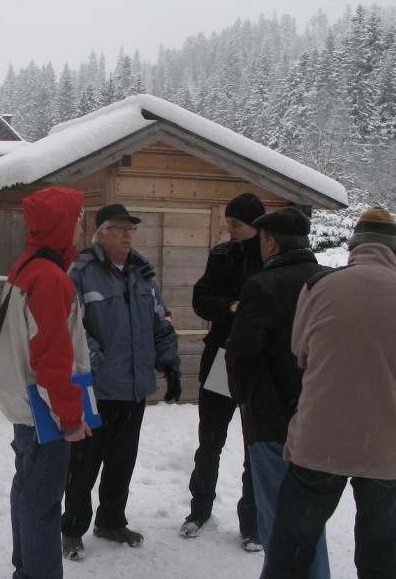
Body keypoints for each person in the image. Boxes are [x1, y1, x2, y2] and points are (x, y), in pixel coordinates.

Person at [266, 208, 396, 579]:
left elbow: (300, 352)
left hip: (321, 442)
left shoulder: (320, 285)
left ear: (354, 247)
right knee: (382, 557)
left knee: (291, 550)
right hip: (387, 448)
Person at [61, 203, 181, 560]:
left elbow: (161, 320)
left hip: (133, 389)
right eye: (119, 228)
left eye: (131, 229)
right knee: (83, 464)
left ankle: (111, 520)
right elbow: (73, 327)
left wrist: (171, 364)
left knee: (121, 460)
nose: (127, 234)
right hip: (96, 389)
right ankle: (72, 528)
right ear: (100, 234)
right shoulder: (81, 273)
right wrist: (97, 361)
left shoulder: (143, 274)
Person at [225, 206, 330, 579]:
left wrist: (248, 401)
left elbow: (240, 356)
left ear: (270, 242)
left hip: (272, 423)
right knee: (308, 520)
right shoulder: (330, 281)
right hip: (321, 420)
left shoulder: (261, 285)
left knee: (276, 518)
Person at [0, 186, 92, 579]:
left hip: (26, 403)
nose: (82, 226)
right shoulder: (51, 279)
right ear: (63, 224)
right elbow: (52, 359)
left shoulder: (26, 266)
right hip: (46, 411)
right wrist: (70, 417)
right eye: (79, 218)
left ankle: (26, 567)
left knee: (27, 488)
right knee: (43, 501)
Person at [179, 192, 264, 551]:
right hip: (220, 359)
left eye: (235, 223)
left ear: (256, 227)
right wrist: (230, 307)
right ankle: (199, 511)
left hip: (258, 366)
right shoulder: (220, 255)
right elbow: (201, 299)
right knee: (210, 442)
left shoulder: (272, 258)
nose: (228, 229)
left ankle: (253, 525)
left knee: (254, 449)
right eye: (228, 222)